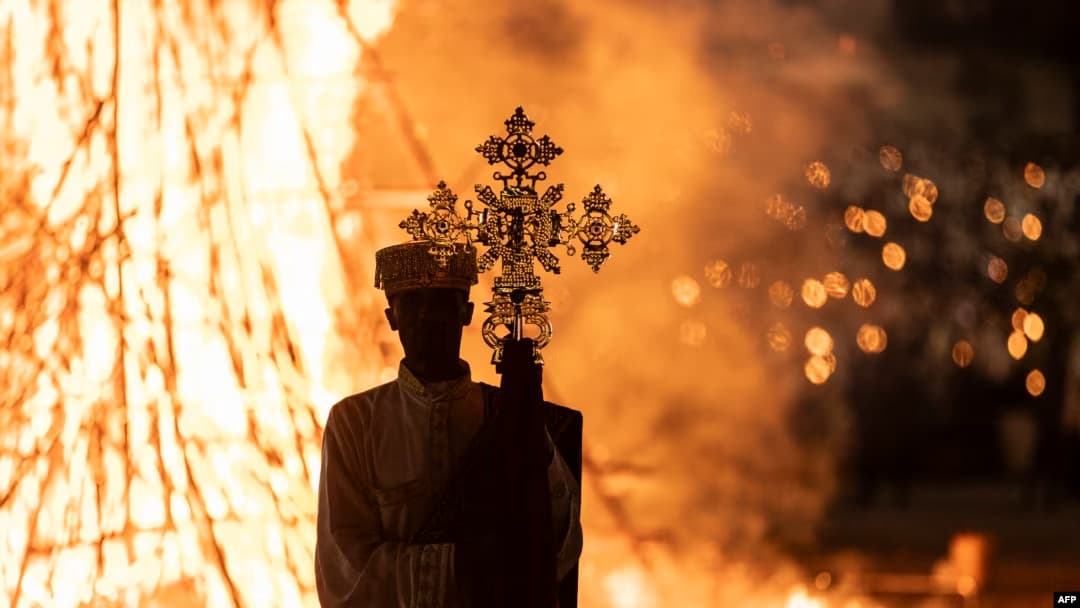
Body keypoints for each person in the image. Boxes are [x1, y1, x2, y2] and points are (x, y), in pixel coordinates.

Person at [315, 240, 583, 607]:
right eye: (412, 303)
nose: (427, 316)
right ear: (392, 317)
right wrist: (460, 566)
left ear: (466, 312)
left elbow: (560, 538)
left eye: (441, 302)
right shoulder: (354, 423)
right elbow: (343, 564)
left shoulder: (509, 414)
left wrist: (525, 422)